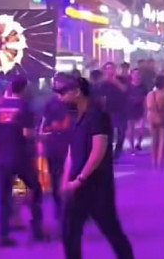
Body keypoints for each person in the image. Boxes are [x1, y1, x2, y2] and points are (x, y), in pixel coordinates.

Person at [59, 77, 134, 259]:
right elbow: (71, 151)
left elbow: (98, 151)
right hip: (76, 186)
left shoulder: (98, 116)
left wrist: (80, 179)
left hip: (97, 186)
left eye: (63, 93)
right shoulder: (77, 117)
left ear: (77, 92)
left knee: (111, 230)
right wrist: (66, 179)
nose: (61, 98)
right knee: (69, 232)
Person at [0, 76, 46, 246]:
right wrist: (41, 137)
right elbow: (27, 134)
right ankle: (37, 230)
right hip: (20, 156)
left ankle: (3, 234)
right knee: (35, 190)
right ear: (24, 88)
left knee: (3, 196)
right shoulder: (25, 107)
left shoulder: (0, 106)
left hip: (2, 157)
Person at [40, 73, 75, 219]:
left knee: (68, 176)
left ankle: (70, 207)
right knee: (55, 177)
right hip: (53, 144)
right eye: (56, 82)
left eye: (61, 82)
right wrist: (41, 137)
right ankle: (59, 207)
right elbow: (44, 121)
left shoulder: (72, 102)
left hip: (68, 144)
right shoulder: (50, 103)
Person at [100, 62, 128, 159]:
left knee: (121, 133)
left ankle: (117, 152)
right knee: (109, 133)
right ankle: (108, 153)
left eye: (111, 68)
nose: (110, 71)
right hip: (109, 111)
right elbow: (101, 97)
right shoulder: (103, 83)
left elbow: (124, 90)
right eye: (107, 69)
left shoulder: (121, 79)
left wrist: (115, 81)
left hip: (121, 110)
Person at [126, 68, 147, 152]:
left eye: (138, 74)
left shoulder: (143, 86)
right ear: (131, 75)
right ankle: (132, 147)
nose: (136, 76)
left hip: (140, 109)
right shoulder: (128, 86)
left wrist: (146, 109)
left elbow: (146, 98)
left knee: (141, 129)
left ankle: (138, 143)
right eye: (134, 74)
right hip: (130, 109)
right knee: (131, 129)